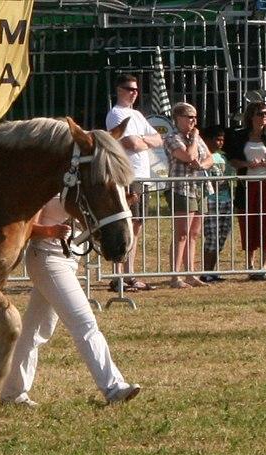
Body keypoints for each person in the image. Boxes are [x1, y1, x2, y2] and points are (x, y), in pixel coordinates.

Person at [0, 195, 141, 407]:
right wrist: (50, 231)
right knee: (84, 323)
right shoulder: (49, 187)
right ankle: (113, 388)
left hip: (67, 260)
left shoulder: (76, 186)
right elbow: (27, 229)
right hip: (47, 258)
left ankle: (12, 393)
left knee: (35, 331)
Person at [106, 73, 163, 292]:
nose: (134, 93)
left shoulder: (137, 115)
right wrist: (144, 141)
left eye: (137, 89)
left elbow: (157, 139)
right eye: (130, 89)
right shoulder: (116, 114)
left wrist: (144, 141)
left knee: (137, 226)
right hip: (128, 176)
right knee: (124, 225)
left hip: (143, 176)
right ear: (120, 90)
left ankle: (129, 274)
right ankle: (118, 275)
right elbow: (131, 143)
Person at [225, 101, 266, 280]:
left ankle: (264, 265)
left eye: (265, 114)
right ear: (251, 116)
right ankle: (250, 264)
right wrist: (247, 164)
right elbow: (232, 159)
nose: (263, 117)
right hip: (246, 184)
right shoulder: (239, 136)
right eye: (259, 114)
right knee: (248, 222)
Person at [164, 102, 214, 288]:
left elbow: (209, 158)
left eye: (194, 117)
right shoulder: (172, 137)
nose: (193, 120)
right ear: (178, 118)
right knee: (181, 233)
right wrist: (193, 141)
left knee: (194, 233)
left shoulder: (196, 137)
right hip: (181, 188)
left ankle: (191, 274)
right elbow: (188, 157)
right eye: (189, 117)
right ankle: (175, 276)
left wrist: (201, 165)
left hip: (199, 187)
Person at [200, 125, 233, 283]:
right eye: (216, 139)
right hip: (211, 201)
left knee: (221, 238)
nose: (219, 143)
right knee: (211, 237)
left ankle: (212, 271)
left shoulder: (223, 157)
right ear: (206, 140)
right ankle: (206, 271)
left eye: (222, 140)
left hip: (226, 200)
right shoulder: (204, 157)